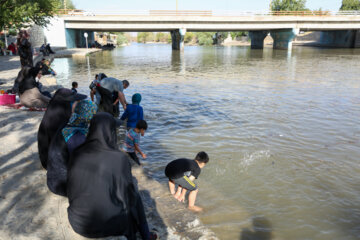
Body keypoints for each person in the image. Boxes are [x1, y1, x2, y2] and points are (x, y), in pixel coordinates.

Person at [67, 112, 156, 240]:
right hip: (110, 226)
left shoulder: (77, 153)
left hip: (78, 222)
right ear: (110, 132)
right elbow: (128, 196)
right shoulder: (119, 159)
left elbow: (71, 188)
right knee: (135, 196)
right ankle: (146, 236)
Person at [47, 100, 97, 196]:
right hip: (63, 186)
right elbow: (81, 164)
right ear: (89, 116)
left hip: (54, 179)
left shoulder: (67, 125)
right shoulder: (77, 135)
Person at [38, 88, 87, 169]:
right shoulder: (58, 121)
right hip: (51, 163)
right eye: (73, 102)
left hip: (47, 158)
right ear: (65, 104)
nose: (76, 104)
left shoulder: (54, 113)